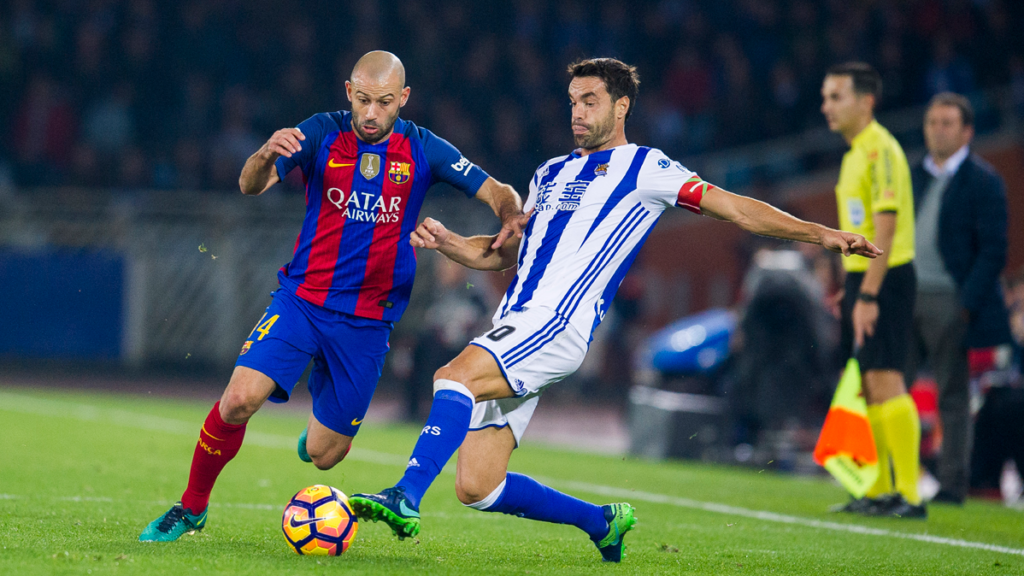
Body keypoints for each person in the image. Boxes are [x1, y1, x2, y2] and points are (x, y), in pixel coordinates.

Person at [349, 58, 880, 563]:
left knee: (453, 377)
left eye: (590, 100)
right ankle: (601, 522)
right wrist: (450, 242)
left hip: (557, 324)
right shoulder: (549, 173)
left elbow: (736, 207)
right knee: (477, 486)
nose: (578, 112)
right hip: (516, 323)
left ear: (621, 106)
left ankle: (404, 496)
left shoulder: (647, 168)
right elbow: (510, 254)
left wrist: (820, 233)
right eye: (573, 101)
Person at [139, 51, 527, 542]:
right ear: (349, 92)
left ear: (402, 99)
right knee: (238, 400)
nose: (371, 113)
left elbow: (498, 190)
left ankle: (320, 424)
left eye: (384, 103)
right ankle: (191, 509)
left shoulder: (424, 149)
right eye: (362, 99)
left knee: (325, 455)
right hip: (301, 301)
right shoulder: (320, 132)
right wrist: (263, 154)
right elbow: (248, 186)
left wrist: (511, 214)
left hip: (367, 322)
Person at [820, 62, 923, 518]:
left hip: (888, 275)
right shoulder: (854, 152)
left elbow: (886, 219)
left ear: (866, 102)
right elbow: (857, 227)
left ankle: (912, 495)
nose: (827, 106)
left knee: (886, 379)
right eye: (825, 97)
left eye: (836, 96)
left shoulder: (880, 148)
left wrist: (868, 294)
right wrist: (850, 285)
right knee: (867, 382)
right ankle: (880, 489)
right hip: (864, 276)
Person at [905, 92, 1012, 505]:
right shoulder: (913, 174)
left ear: (967, 131)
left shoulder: (984, 181)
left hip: (950, 297)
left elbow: (993, 250)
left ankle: (951, 483)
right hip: (907, 291)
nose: (938, 130)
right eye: (932, 122)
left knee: (952, 393)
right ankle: (893, 477)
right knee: (893, 387)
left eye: (947, 123)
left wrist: (966, 302)